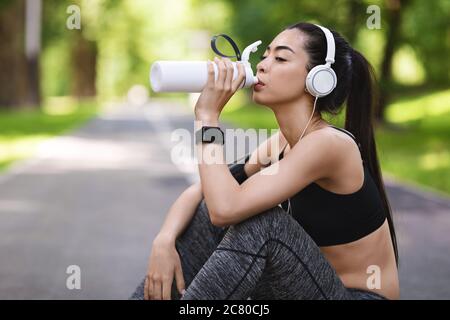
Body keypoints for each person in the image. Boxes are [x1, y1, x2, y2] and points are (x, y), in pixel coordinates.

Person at [131, 22, 399, 300]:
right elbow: (205, 193)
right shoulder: (283, 142)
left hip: (356, 297)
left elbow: (225, 208)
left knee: (263, 225)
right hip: (307, 286)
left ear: (318, 78)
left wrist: (207, 118)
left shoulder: (329, 144)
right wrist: (164, 240)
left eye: (280, 58)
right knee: (217, 205)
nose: (262, 65)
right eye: (265, 55)